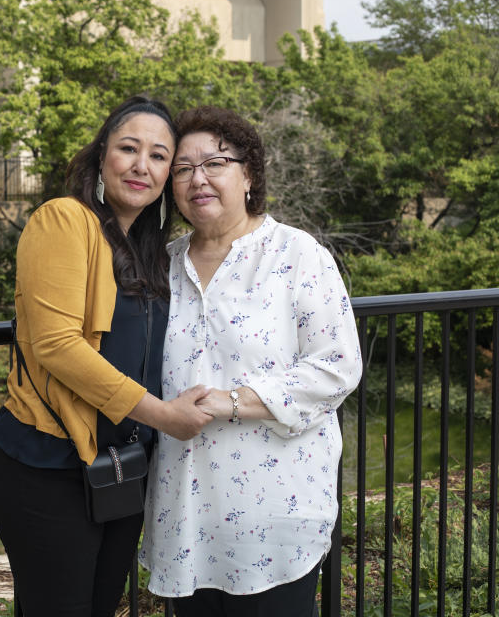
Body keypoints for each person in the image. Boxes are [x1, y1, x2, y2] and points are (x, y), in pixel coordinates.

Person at [0, 96, 213, 617]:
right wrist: (164, 417)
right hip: (48, 465)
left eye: (159, 156)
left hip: (118, 469)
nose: (142, 165)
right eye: (128, 149)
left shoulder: (150, 252)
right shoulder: (65, 219)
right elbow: (57, 346)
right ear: (100, 160)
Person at [139, 106, 363, 616]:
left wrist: (229, 402)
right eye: (182, 168)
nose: (198, 179)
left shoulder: (297, 255)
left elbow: (338, 365)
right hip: (186, 514)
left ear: (250, 175)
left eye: (215, 163)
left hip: (275, 516)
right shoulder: (161, 267)